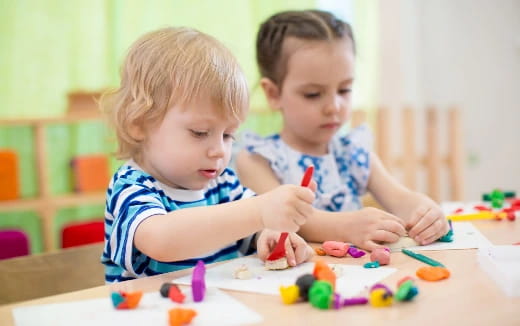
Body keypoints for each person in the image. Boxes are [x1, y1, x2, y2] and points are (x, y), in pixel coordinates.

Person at [100, 27, 316, 282]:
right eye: (200, 132)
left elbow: (249, 229)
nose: (219, 151)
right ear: (138, 124)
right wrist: (259, 211)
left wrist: (268, 236)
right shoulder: (132, 187)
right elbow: (161, 240)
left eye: (228, 135)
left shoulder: (223, 184)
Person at [236, 10, 449, 252]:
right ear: (274, 94)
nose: (334, 106)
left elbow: (400, 199)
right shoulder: (257, 159)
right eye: (313, 94)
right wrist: (348, 226)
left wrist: (426, 212)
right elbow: (282, 216)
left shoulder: (353, 151)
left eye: (345, 89)